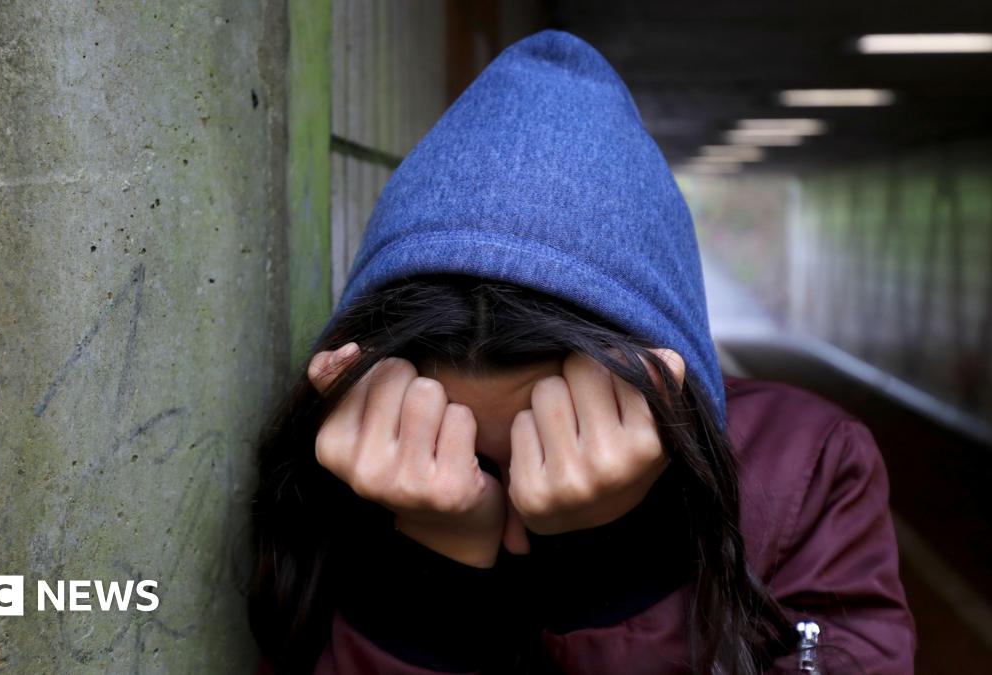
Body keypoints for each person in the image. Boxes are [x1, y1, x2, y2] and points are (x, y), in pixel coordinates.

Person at [248, 30, 915, 675]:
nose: (524, 494)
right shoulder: (339, 479)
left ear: (659, 381)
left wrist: (613, 570)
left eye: (562, 428)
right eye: (459, 451)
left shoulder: (808, 466)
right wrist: (423, 593)